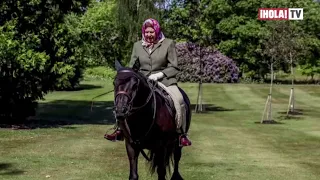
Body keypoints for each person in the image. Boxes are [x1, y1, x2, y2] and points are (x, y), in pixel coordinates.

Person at [105, 18, 192, 147]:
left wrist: (159, 75)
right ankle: (119, 129)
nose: (149, 35)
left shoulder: (168, 44)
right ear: (143, 32)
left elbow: (174, 66)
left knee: (179, 100)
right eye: (147, 32)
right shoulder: (137, 46)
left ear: (157, 30)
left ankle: (181, 133)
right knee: (123, 99)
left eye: (152, 32)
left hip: (165, 80)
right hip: (143, 81)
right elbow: (132, 66)